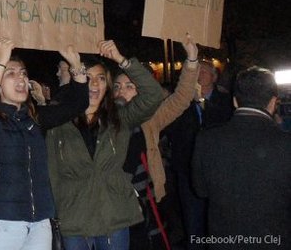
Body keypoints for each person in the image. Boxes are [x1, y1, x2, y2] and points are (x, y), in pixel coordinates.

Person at [0, 41, 89, 250]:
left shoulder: (34, 119)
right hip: (1, 222)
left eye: (23, 73)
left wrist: (76, 64)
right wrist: (0, 61)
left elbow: (78, 104)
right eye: (11, 74)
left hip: (40, 221)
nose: (21, 79)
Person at [46, 40, 164, 250]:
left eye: (100, 78)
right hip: (74, 217)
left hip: (113, 215)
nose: (94, 84)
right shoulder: (58, 122)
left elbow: (153, 95)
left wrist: (121, 60)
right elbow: (52, 172)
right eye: (88, 77)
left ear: (107, 85)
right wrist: (56, 212)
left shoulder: (120, 117)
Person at [115, 35, 200, 249]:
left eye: (129, 86)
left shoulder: (150, 119)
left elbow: (181, 98)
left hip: (147, 201)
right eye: (117, 86)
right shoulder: (104, 120)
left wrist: (191, 59)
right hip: (113, 204)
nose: (121, 91)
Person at [192, 66, 291, 250]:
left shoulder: (207, 139)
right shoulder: (285, 143)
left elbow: (200, 190)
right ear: (272, 103)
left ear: (235, 101)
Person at [164, 60, 233, 248]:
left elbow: (221, 125)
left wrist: (201, 103)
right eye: (196, 72)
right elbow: (170, 129)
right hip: (187, 168)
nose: (199, 75)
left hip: (218, 170)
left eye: (203, 71)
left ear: (214, 77)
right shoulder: (181, 101)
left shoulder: (226, 100)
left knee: (218, 219)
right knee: (192, 218)